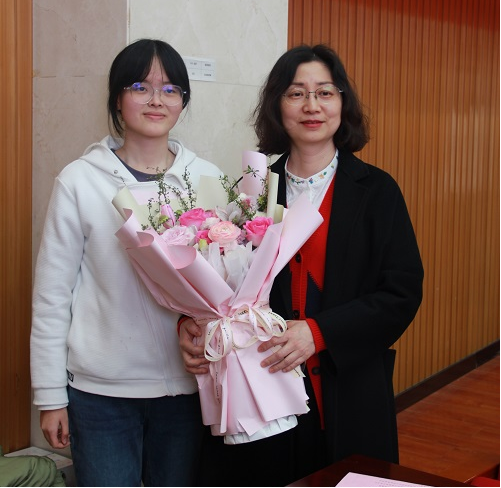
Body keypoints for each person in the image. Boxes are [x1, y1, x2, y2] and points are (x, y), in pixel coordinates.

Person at [179, 44, 424, 487]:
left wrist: (319, 333)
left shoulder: (377, 191)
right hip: (262, 391)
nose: (312, 106)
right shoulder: (251, 191)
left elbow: (401, 293)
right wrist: (192, 323)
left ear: (342, 104)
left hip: (346, 390)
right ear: (278, 105)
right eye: (296, 93)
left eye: (325, 92)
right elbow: (216, 284)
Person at [30, 38, 222, 487]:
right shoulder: (80, 180)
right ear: (118, 98)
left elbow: (221, 288)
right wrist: (50, 395)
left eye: (170, 89)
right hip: (100, 395)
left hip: (187, 390)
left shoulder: (207, 178)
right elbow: (53, 295)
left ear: (183, 102)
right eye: (141, 86)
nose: (157, 99)